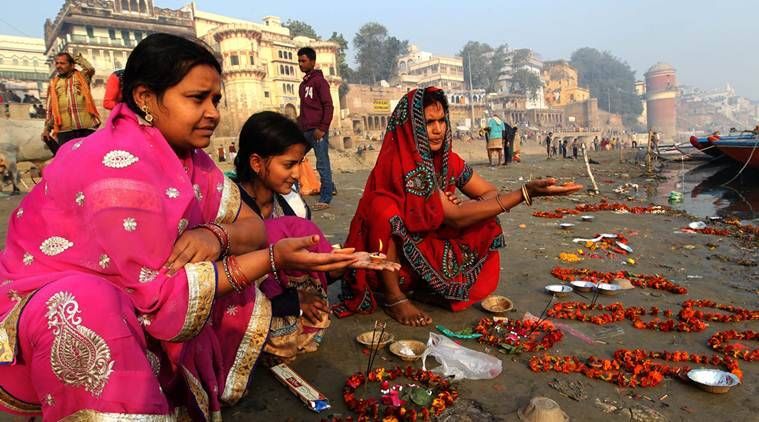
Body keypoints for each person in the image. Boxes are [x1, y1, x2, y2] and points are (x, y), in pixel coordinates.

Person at [0, 33, 374, 420]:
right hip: (69, 301)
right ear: (145, 98)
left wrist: (218, 235)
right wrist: (271, 260)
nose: (212, 112)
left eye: (216, 100)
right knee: (90, 307)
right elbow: (164, 297)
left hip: (152, 293)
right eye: (197, 99)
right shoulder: (116, 166)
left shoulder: (192, 161)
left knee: (234, 261)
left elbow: (254, 229)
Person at [335, 87, 582, 326]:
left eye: (442, 121)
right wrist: (524, 192)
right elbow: (456, 218)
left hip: (422, 240)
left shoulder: (447, 160)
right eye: (429, 122)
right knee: (384, 209)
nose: (438, 129)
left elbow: (488, 192)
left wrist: (467, 203)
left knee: (487, 220)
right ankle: (394, 297)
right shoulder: (404, 164)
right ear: (412, 127)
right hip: (387, 257)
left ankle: (428, 287)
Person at [233, 111, 399, 361]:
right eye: (289, 165)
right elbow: (233, 286)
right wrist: (294, 301)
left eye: (300, 163)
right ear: (257, 163)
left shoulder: (293, 206)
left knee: (316, 313)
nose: (298, 174)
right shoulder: (231, 209)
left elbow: (308, 269)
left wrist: (339, 264)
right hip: (243, 304)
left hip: (282, 300)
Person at [297, 47, 334, 211]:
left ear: (312, 61)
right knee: (294, 158)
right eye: (299, 61)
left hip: (318, 130)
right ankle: (292, 193)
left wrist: (323, 128)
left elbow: (328, 106)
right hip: (305, 131)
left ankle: (325, 197)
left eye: (303, 61)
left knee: (322, 164)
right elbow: (303, 110)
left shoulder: (320, 82)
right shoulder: (302, 85)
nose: (300, 64)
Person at [41, 52, 100, 155]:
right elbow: (50, 109)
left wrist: (77, 58)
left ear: (72, 65)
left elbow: (90, 69)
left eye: (62, 63)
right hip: (64, 130)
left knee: (89, 157)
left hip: (85, 127)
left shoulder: (82, 77)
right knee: (68, 159)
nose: (59, 66)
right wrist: (47, 129)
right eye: (57, 63)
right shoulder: (53, 83)